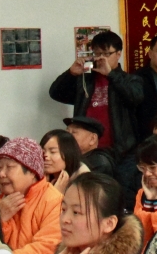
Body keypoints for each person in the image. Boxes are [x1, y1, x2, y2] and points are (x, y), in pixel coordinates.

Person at [49, 30, 144, 193]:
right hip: (87, 150)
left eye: (106, 54)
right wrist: (70, 74)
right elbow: (56, 93)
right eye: (97, 53)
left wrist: (111, 75)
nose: (101, 58)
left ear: (118, 54)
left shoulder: (130, 79)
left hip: (120, 151)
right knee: (89, 192)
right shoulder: (85, 80)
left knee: (119, 193)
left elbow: (135, 97)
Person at [0, 138, 63, 254]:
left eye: (9, 167)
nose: (1, 174)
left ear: (32, 172)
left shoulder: (53, 201)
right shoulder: (0, 202)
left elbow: (44, 250)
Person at [40, 128, 88, 194]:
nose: (46, 156)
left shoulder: (83, 184)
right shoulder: (40, 177)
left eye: (52, 152)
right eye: (43, 151)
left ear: (68, 153)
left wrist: (56, 194)